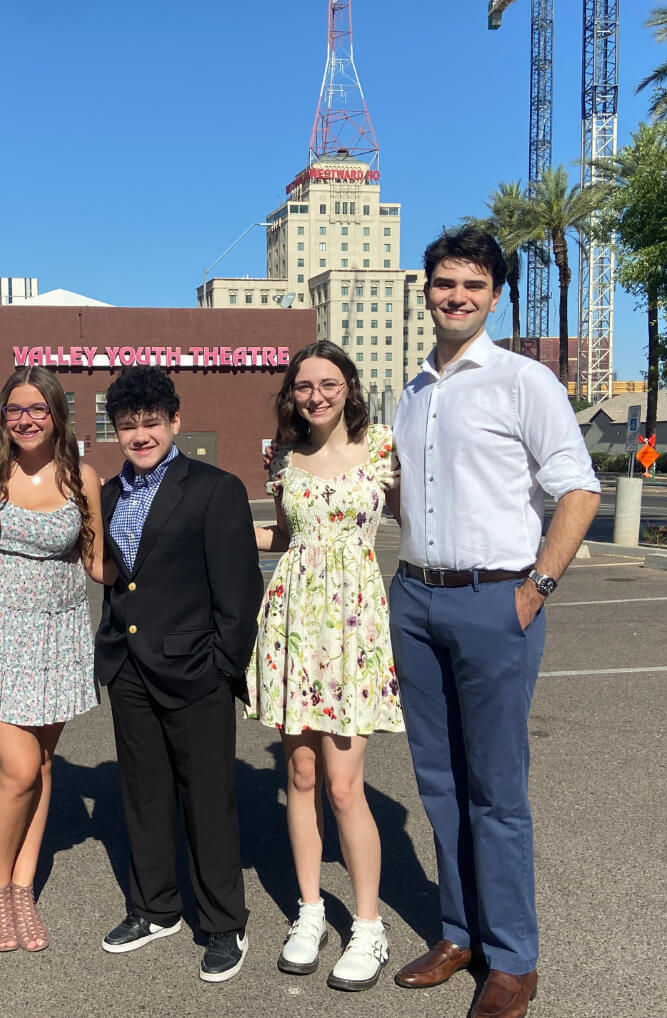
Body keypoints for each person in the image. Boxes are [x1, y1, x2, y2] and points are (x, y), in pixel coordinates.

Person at [388, 225, 600, 1018]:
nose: (458, 295)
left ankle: (512, 958)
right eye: (446, 282)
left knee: (497, 789)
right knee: (438, 781)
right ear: (428, 290)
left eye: (474, 285)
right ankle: (458, 932)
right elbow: (404, 495)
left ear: (494, 296)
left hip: (495, 598)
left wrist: (537, 585)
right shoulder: (413, 390)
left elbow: (578, 489)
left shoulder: (522, 381)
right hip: (416, 595)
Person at [94, 365, 264, 983]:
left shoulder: (214, 489)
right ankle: (155, 907)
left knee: (208, 800)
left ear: (174, 423)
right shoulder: (110, 494)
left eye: (151, 422)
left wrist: (223, 663)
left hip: (197, 669)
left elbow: (239, 589)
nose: (140, 434)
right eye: (128, 424)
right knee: (142, 794)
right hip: (130, 666)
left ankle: (223, 924)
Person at [247, 340, 404, 991]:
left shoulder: (383, 446)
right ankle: (310, 911)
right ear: (293, 394)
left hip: (353, 625)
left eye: (327, 382)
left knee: (344, 785)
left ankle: (368, 926)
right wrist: (216, 526)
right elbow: (282, 536)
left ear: (349, 385)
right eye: (304, 385)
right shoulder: (283, 456)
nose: (315, 394)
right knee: (302, 774)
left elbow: (415, 520)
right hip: (292, 619)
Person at [0, 365, 106, 954]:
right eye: (15, 409)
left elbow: (99, 564)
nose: (27, 419)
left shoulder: (80, 475)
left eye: (38, 409)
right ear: (3, 415)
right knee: (19, 767)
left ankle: (23, 886)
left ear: (57, 414)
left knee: (45, 764)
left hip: (55, 636)